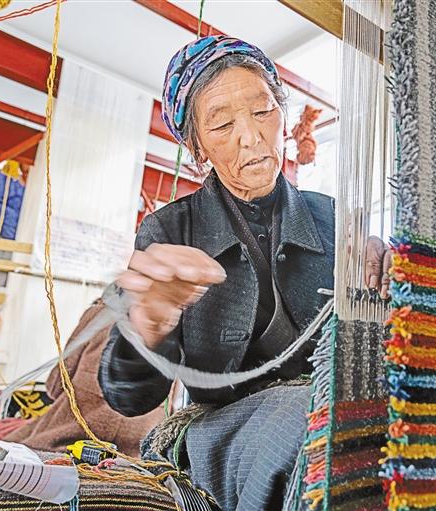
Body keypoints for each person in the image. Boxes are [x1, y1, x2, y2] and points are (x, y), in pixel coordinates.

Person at [98, 36, 391, 510]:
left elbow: (376, 337)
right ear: (198, 149)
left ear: (282, 115)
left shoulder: (334, 218)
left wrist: (392, 289)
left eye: (262, 111)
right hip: (227, 429)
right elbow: (128, 398)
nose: (252, 136)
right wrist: (149, 327)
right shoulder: (171, 230)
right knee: (311, 423)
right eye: (221, 124)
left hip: (328, 407)